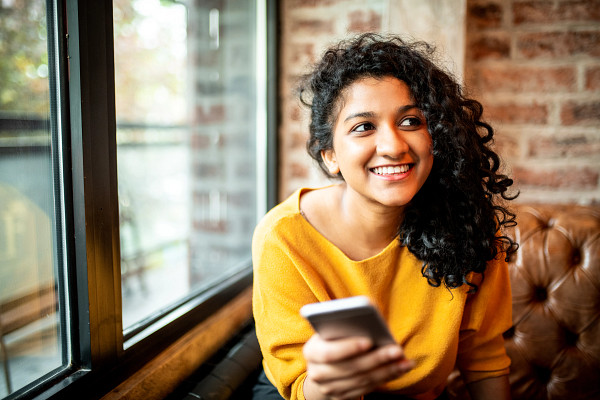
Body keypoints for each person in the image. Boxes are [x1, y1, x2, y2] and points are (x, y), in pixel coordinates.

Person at [252, 33, 518, 400]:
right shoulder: (284, 237)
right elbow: (299, 386)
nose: (394, 146)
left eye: (411, 121)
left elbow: (484, 359)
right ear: (330, 155)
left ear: (436, 136)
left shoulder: (467, 224)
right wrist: (334, 380)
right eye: (363, 127)